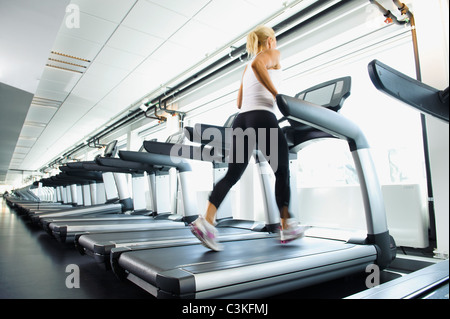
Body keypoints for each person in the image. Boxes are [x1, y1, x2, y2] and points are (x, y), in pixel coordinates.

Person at [190, 25, 306, 251]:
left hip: (241, 120)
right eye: (275, 40)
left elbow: (239, 103)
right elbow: (257, 64)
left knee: (232, 174)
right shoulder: (272, 54)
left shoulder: (246, 68)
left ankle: (206, 221)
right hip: (263, 117)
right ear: (270, 40)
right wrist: (277, 95)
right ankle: (286, 226)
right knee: (282, 171)